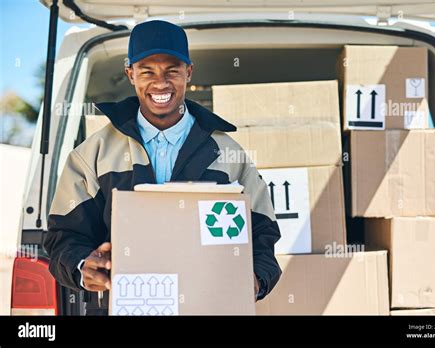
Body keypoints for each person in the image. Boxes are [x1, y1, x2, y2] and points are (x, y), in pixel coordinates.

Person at [44, 20, 281, 315]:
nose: (160, 83)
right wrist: (83, 266)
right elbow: (62, 238)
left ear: (188, 72)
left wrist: (255, 279)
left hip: (208, 309)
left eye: (172, 70)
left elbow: (263, 237)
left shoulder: (229, 154)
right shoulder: (93, 155)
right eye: (147, 71)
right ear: (130, 74)